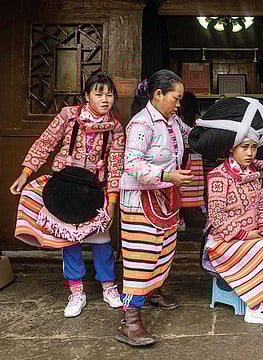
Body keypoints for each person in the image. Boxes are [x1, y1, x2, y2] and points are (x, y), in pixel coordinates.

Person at [10, 73, 125, 318]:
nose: (105, 99)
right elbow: (46, 142)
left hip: (95, 190)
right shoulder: (68, 116)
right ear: (86, 96)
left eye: (109, 94)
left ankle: (109, 287)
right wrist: (26, 172)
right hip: (64, 188)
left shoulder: (115, 127)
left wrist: (112, 200)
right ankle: (76, 291)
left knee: (101, 240)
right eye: (98, 93)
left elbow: (116, 164)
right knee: (69, 240)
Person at [190, 97, 263, 326]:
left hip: (252, 235)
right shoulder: (218, 177)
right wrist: (247, 234)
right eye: (245, 147)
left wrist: (261, 227)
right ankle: (256, 306)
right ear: (232, 148)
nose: (251, 153)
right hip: (223, 242)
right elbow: (217, 218)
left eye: (253, 147)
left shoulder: (253, 175)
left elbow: (261, 206)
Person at [116, 69, 193, 346]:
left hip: (163, 197)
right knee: (141, 256)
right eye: (176, 98)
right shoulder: (141, 124)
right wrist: (166, 176)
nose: (179, 103)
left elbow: (192, 134)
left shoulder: (172, 121)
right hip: (140, 199)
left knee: (163, 248)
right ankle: (130, 321)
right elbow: (132, 165)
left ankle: (153, 291)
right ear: (158, 94)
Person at [177, 91, 206, 231]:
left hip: (181, 158)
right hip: (195, 157)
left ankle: (179, 219)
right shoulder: (197, 122)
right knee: (194, 191)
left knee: (178, 191)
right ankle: (202, 210)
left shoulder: (176, 121)